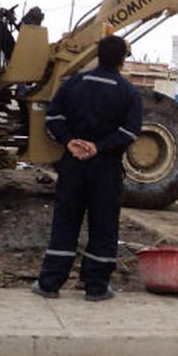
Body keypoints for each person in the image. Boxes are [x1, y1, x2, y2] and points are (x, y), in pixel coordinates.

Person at [32, 35, 142, 302]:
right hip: (105, 168)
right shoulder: (128, 92)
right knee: (104, 225)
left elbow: (54, 117)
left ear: (97, 56)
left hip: (73, 164)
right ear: (121, 60)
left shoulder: (74, 84)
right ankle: (96, 286)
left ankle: (49, 284)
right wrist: (100, 147)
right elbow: (130, 132)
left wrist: (69, 141)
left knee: (65, 222)